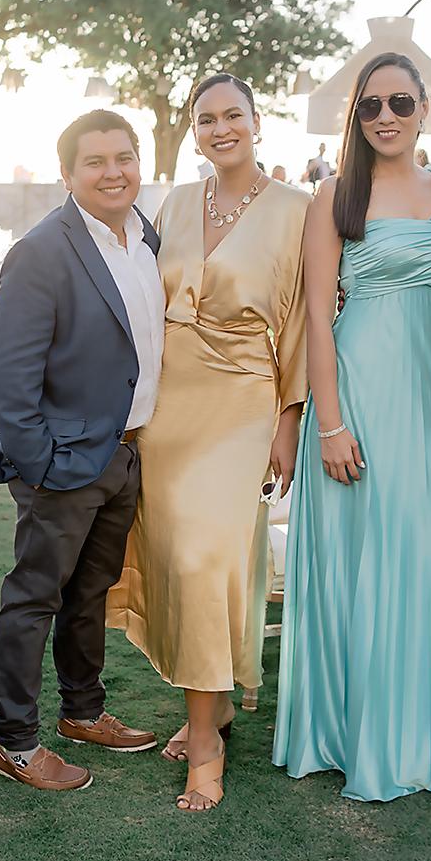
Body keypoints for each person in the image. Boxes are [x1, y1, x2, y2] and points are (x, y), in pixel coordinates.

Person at [107, 73, 310, 813]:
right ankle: (211, 703)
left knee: (203, 556)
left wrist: (290, 417)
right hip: (170, 399)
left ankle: (208, 741)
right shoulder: (175, 202)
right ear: (194, 131)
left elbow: (301, 316)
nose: (221, 128)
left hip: (243, 400)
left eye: (233, 115)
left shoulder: (297, 208)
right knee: (173, 550)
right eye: (207, 119)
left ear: (258, 122)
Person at [273, 52, 431, 802]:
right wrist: (329, 422)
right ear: (355, 117)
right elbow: (317, 315)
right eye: (370, 105)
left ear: (425, 109)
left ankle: (422, 740)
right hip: (355, 396)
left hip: (430, 406)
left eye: (400, 102)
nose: (385, 116)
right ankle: (347, 735)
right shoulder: (335, 194)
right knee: (360, 567)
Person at [0, 110, 163, 792]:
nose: (113, 171)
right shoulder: (42, 250)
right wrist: (43, 466)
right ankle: (15, 740)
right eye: (96, 161)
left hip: (124, 453)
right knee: (35, 597)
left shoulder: (146, 236)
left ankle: (83, 711)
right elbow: (11, 375)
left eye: (124, 157)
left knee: (90, 593)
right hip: (63, 461)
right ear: (68, 173)